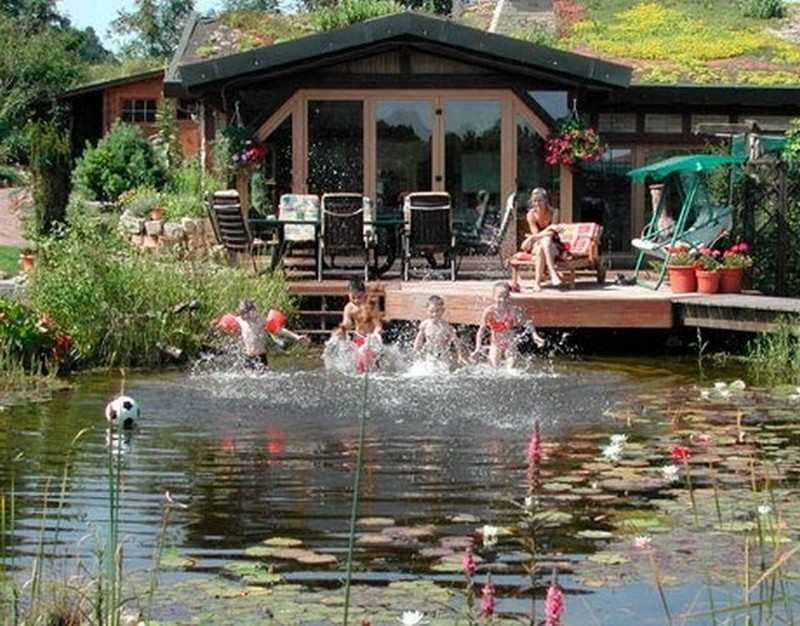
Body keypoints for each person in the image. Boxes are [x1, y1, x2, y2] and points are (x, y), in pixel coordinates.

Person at [471, 282, 545, 368]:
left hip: (510, 343)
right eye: (499, 297)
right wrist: (477, 348)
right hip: (495, 343)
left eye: (505, 297)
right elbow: (481, 331)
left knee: (511, 370)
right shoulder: (489, 312)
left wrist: (535, 335)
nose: (502, 300)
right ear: (493, 296)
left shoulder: (513, 310)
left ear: (509, 297)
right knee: (494, 368)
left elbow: (528, 323)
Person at [229, 299, 308, 368]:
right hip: (248, 356)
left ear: (253, 311)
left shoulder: (261, 321)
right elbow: (227, 325)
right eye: (243, 314)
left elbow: (279, 330)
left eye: (247, 313)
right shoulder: (240, 320)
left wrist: (296, 337)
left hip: (261, 356)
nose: (245, 316)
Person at [518, 188, 564, 291]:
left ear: (546, 200)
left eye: (540, 200)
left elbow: (552, 233)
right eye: (534, 201)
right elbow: (537, 233)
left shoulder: (554, 212)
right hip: (537, 243)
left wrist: (532, 237)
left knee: (546, 242)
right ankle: (553, 273)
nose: (537, 203)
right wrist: (547, 230)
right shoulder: (530, 215)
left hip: (554, 245)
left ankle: (537, 283)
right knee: (543, 242)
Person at [335, 278, 383, 372]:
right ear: (348, 294)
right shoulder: (349, 307)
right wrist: (342, 329)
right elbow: (347, 322)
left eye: (359, 297)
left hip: (372, 339)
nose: (356, 300)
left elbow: (378, 324)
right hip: (359, 338)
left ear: (365, 294)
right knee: (359, 365)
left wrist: (377, 332)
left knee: (373, 365)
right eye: (353, 297)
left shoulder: (370, 306)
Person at [412, 295, 468, 364]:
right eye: (431, 311)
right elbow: (419, 339)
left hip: (443, 355)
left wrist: (460, 355)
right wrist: (416, 350)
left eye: (437, 311)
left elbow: (456, 340)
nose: (434, 314)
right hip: (429, 352)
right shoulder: (425, 324)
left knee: (442, 367)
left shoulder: (446, 326)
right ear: (427, 311)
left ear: (443, 310)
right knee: (428, 364)